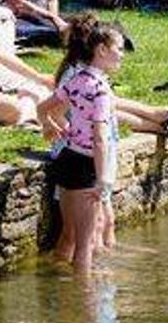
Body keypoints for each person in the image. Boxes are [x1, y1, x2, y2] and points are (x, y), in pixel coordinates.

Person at [42, 18, 123, 271]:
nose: (122, 54)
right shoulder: (100, 90)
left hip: (67, 159)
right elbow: (100, 139)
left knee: (69, 235)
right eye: (118, 48)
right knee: (85, 247)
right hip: (87, 165)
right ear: (101, 50)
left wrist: (53, 127)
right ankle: (82, 304)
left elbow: (44, 108)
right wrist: (103, 180)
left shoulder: (77, 79)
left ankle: (57, 286)